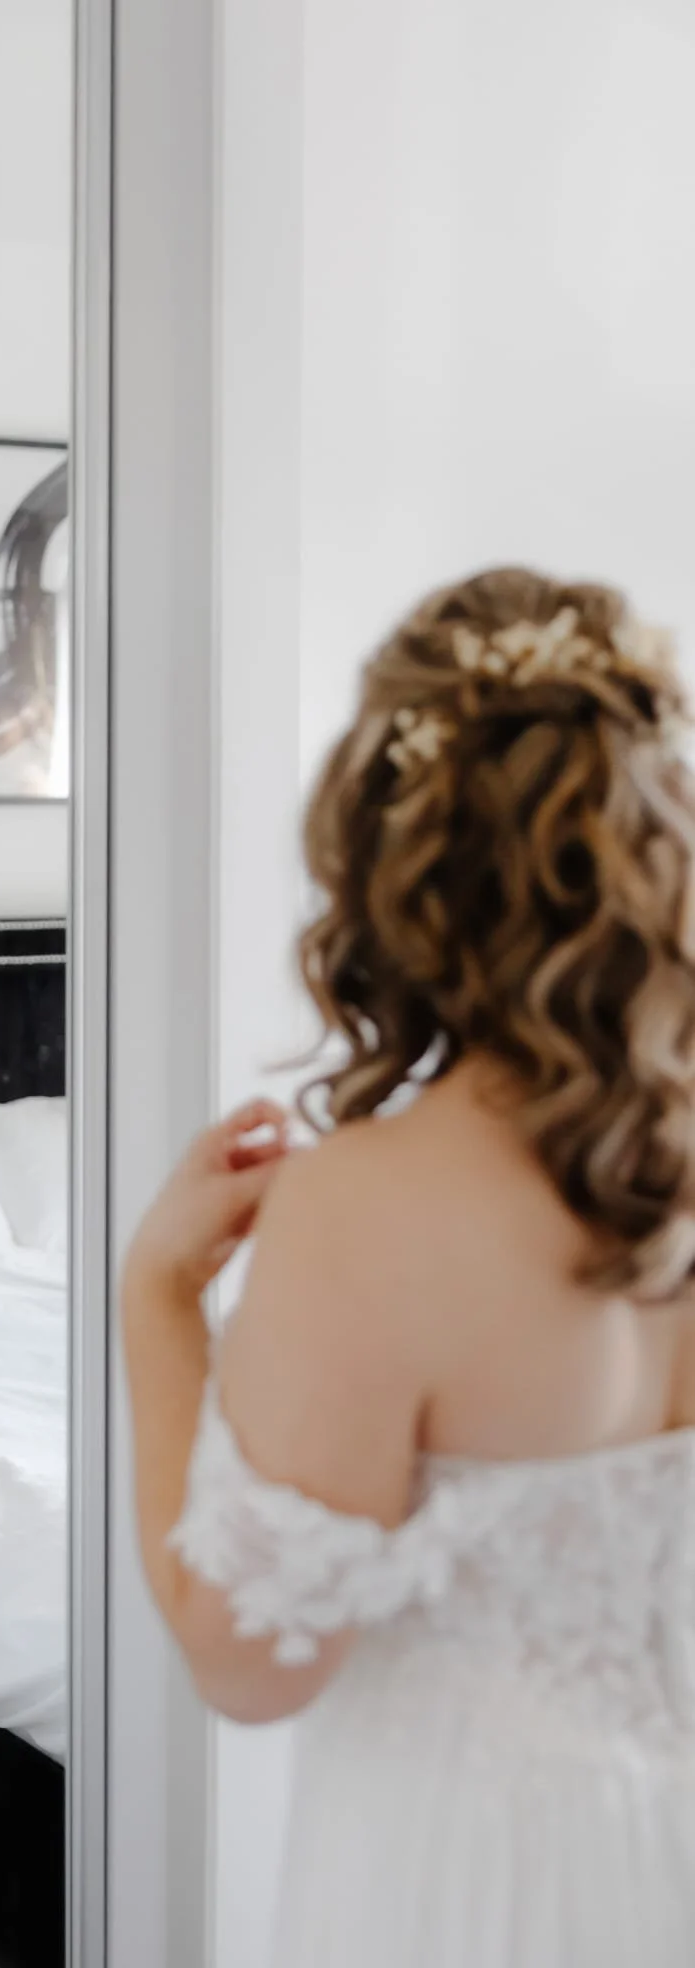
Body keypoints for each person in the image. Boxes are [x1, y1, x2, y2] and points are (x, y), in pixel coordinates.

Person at [123, 568, 695, 1967]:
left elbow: (247, 1661)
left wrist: (154, 1305)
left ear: (394, 868)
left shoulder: (370, 1209)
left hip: (480, 1877)